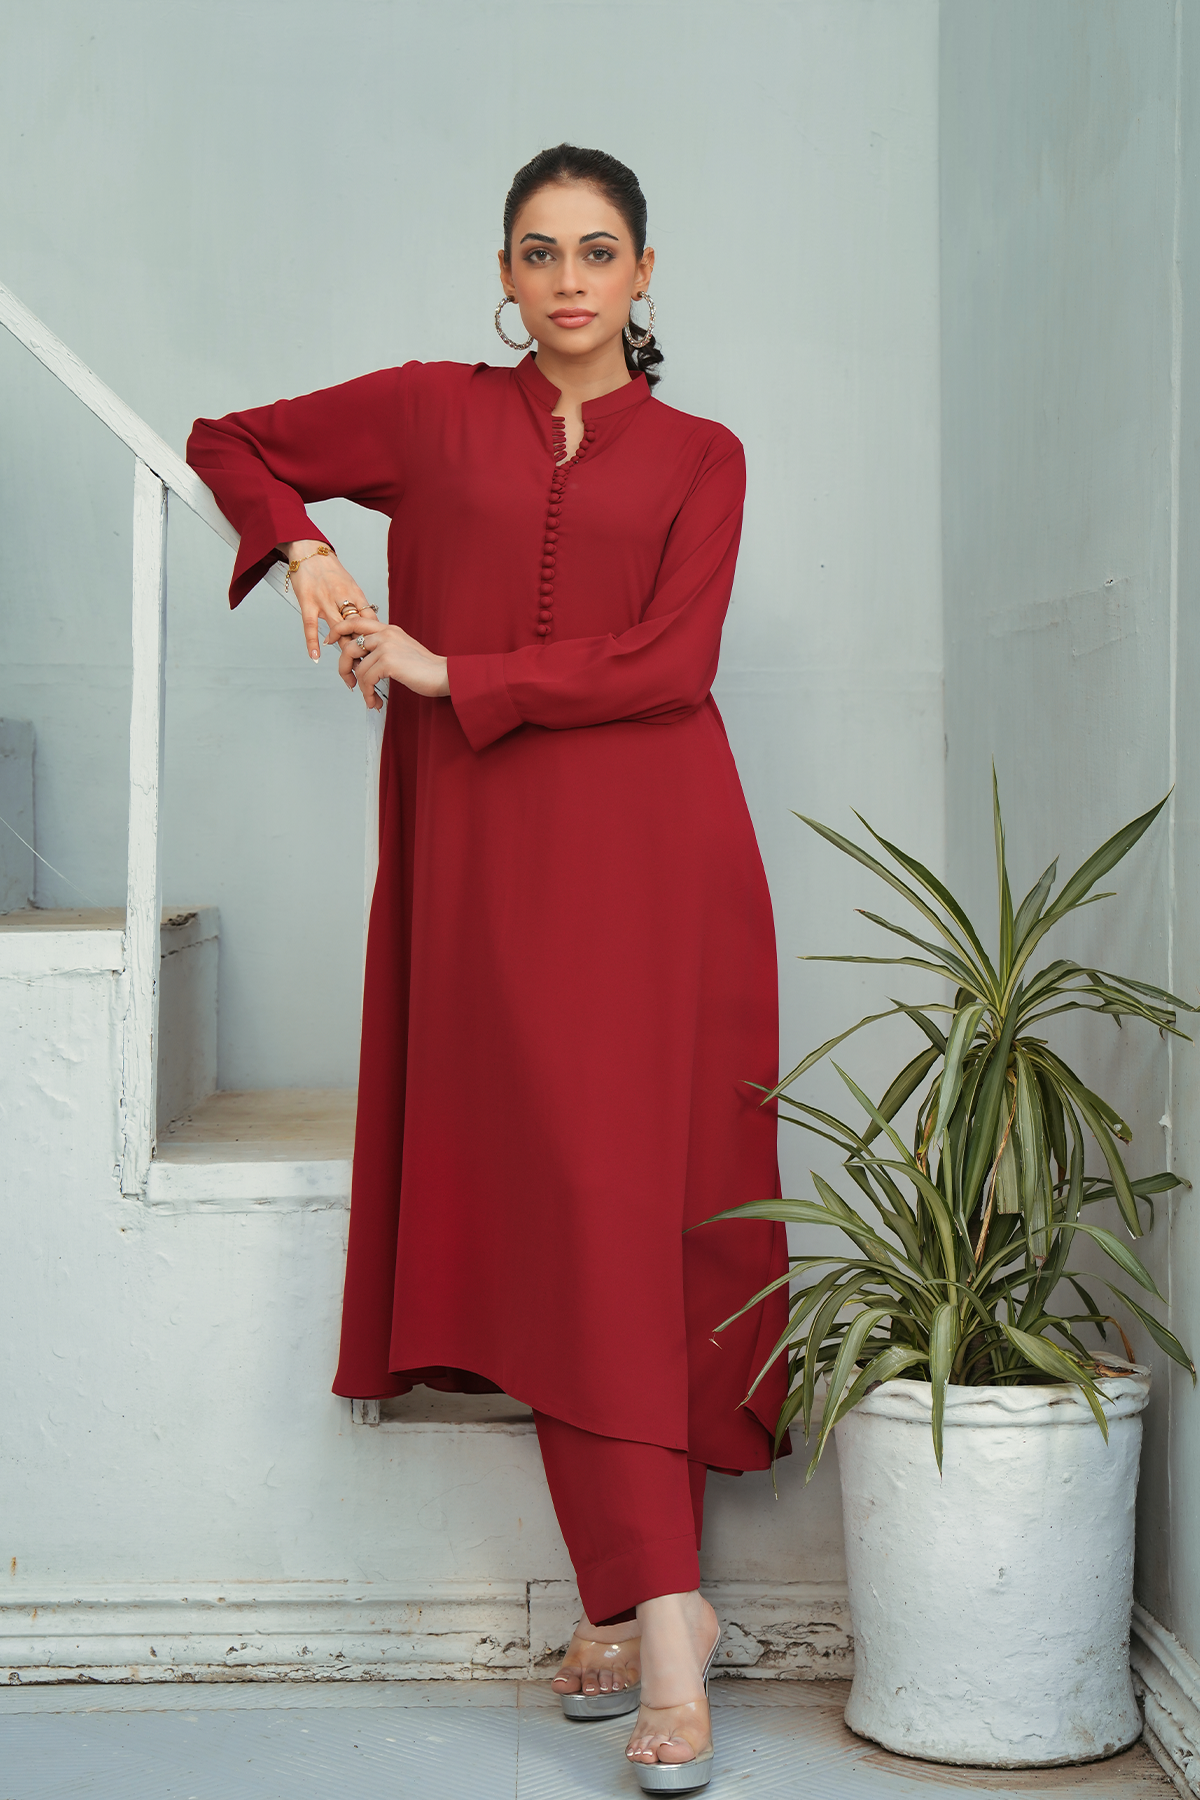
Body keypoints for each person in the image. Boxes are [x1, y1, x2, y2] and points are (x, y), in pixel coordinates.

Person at [187, 143, 789, 1791]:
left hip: (659, 865)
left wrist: (455, 672)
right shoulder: (430, 414)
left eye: (599, 251)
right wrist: (306, 551)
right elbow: (229, 440)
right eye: (540, 252)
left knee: (644, 1208)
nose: (570, 280)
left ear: (645, 273)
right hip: (485, 870)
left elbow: (676, 660)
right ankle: (652, 1602)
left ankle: (656, 1623)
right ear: (506, 275)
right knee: (558, 1208)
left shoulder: (705, 454)